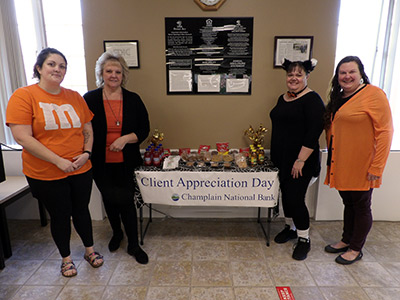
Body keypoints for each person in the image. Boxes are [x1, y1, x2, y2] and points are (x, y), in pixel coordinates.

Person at [6, 48, 103, 277]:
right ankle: (66, 259)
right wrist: (58, 161)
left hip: (80, 168)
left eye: (62, 66)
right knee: (60, 215)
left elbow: (87, 126)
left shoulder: (74, 96)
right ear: (39, 68)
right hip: (45, 172)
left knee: (81, 211)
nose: (57, 69)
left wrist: (87, 153)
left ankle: (89, 250)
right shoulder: (24, 96)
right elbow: (22, 137)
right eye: (51, 64)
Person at [323, 56, 393, 265]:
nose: (347, 76)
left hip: (363, 164)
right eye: (342, 73)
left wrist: (377, 166)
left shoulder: (374, 95)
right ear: (337, 77)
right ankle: (346, 239)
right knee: (349, 203)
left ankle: (355, 248)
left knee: (362, 206)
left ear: (361, 73)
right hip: (342, 163)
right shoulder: (338, 97)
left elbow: (385, 132)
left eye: (351, 72)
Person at [83, 52, 150, 264]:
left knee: (126, 201)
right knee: (109, 200)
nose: (113, 75)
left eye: (118, 72)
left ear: (123, 75)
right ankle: (116, 234)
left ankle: (133, 244)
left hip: (126, 161)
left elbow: (144, 129)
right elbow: (83, 130)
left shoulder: (133, 99)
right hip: (100, 163)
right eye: (109, 71)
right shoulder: (90, 99)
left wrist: (126, 139)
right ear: (101, 73)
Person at [270, 58, 325, 260]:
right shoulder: (283, 98)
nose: (293, 78)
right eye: (290, 74)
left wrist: (300, 160)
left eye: (298, 74)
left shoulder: (313, 100)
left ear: (307, 76)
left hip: (301, 162)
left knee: (295, 198)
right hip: (283, 160)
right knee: (286, 195)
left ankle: (304, 239)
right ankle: (290, 228)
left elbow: (313, 133)